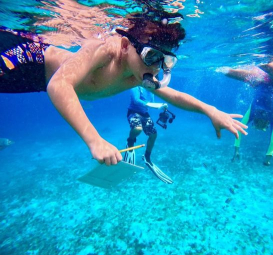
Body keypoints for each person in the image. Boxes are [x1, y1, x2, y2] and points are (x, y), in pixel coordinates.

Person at [0, 13, 247, 166]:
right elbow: (59, 84)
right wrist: (95, 141)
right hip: (25, 55)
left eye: (166, 61)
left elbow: (172, 94)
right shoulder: (104, 50)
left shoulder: (137, 73)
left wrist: (210, 110)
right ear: (127, 45)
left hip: (30, 84)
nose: (157, 67)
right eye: (151, 56)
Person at [217, 59, 273, 165]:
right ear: (266, 124)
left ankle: (223, 68)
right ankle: (268, 64)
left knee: (230, 73)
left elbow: (239, 129)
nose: (260, 124)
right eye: (262, 126)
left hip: (259, 81)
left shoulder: (252, 113)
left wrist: (236, 149)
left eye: (257, 125)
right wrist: (268, 157)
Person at [124, 86, 172, 184]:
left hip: (144, 114)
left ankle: (147, 156)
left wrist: (162, 106)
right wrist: (154, 105)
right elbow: (136, 100)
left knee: (153, 134)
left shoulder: (151, 90)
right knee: (138, 129)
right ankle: (130, 141)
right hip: (133, 112)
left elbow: (151, 103)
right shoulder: (136, 85)